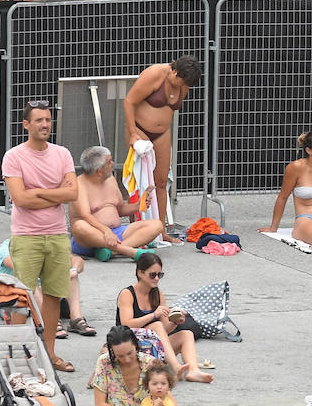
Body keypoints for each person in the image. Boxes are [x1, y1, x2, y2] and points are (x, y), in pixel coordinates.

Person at [3, 99, 77, 372]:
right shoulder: (13, 156)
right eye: (39, 120)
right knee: (22, 297)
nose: (45, 125)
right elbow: (21, 199)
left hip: (57, 235)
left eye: (48, 120)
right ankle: (16, 356)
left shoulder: (62, 154)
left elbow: (73, 193)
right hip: (27, 236)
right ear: (26, 125)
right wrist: (55, 192)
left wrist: (37, 192)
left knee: (54, 295)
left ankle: (49, 354)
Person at [123, 56, 202, 242]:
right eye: (180, 81)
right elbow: (129, 101)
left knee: (161, 181)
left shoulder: (185, 83)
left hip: (162, 134)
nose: (181, 86)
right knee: (140, 182)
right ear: (174, 71)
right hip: (140, 129)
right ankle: (137, 230)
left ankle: (161, 231)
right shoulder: (155, 74)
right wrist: (133, 133)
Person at [115, 253, 213, 384]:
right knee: (156, 325)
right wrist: (153, 315)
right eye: (152, 275)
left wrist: (175, 322)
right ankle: (176, 367)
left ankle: (193, 370)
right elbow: (126, 324)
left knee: (186, 334)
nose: (156, 279)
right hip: (130, 346)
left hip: (152, 345)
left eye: (159, 275)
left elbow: (164, 331)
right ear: (140, 273)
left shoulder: (157, 293)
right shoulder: (127, 294)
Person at [71, 146, 164, 261]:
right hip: (90, 238)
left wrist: (137, 206)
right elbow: (85, 216)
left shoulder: (111, 179)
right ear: (99, 171)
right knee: (79, 226)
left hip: (117, 232)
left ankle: (112, 251)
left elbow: (120, 209)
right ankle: (129, 251)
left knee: (157, 225)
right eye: (109, 162)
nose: (113, 164)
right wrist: (106, 231)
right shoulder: (79, 185)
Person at [0, 238, 94, 338]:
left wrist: (73, 270)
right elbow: (18, 267)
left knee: (70, 273)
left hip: (48, 295)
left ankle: (76, 318)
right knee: (29, 279)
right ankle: (48, 321)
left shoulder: (45, 244)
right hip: (17, 300)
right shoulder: (7, 246)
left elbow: (77, 260)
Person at [90, 325, 159, 406]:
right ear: (112, 352)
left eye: (130, 353)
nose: (127, 360)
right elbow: (100, 403)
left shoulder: (151, 364)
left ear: (136, 345)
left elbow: (167, 398)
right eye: (120, 356)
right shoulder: (104, 362)